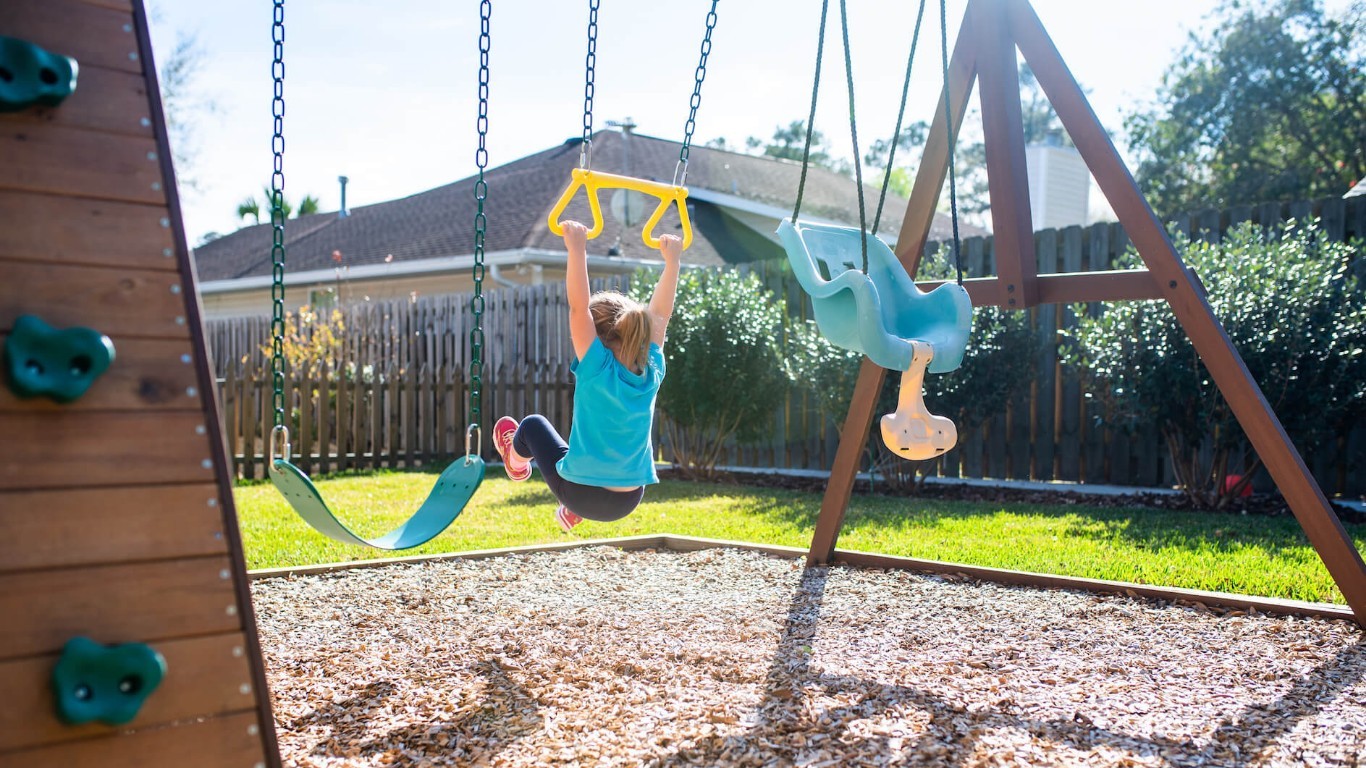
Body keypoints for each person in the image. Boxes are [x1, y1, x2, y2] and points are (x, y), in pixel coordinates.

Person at [492, 220, 681, 533]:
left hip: (581, 493)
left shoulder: (597, 365)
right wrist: (673, 261)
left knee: (532, 426)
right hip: (629, 497)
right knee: (583, 453)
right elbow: (660, 314)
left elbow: (578, 309)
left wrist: (576, 248)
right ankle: (571, 513)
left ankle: (515, 461)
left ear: (599, 335)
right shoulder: (651, 368)